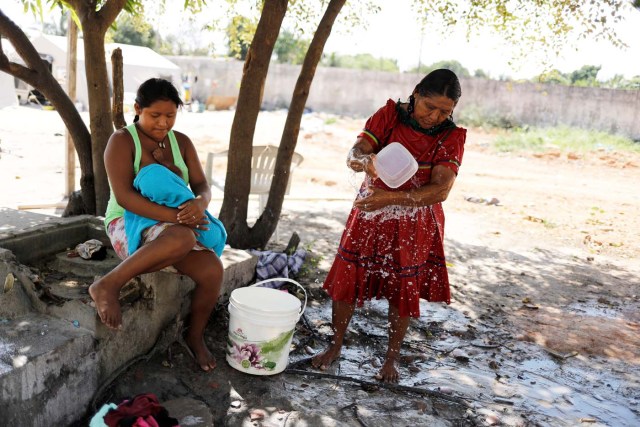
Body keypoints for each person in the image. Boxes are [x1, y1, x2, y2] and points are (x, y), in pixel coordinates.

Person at [311, 69, 466, 382]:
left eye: (444, 112)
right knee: (349, 277)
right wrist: (362, 161)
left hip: (416, 218)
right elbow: (355, 153)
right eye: (429, 107)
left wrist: (393, 199)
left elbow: (440, 190)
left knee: (402, 288)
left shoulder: (450, 136)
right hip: (371, 210)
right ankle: (335, 345)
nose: (435, 117)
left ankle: (390, 359)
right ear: (416, 94)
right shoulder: (388, 117)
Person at [89, 78, 226, 372]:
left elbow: (202, 185)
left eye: (170, 115)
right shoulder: (123, 141)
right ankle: (107, 285)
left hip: (173, 229)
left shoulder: (182, 143)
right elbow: (125, 198)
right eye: (155, 115)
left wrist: (200, 204)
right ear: (137, 109)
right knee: (182, 238)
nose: (163, 123)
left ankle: (194, 335)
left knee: (213, 270)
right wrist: (178, 217)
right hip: (127, 221)